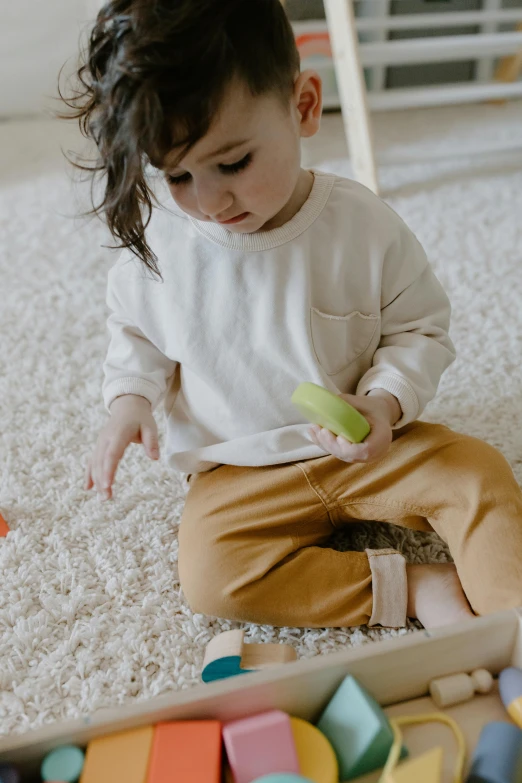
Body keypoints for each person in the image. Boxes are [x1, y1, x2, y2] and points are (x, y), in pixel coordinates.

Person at [62, 0, 522, 631]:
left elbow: (417, 329)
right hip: (239, 468)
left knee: (479, 476)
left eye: (233, 164)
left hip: (367, 446)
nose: (209, 199)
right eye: (177, 176)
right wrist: (130, 401)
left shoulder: (361, 226)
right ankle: (411, 588)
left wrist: (383, 404)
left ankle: (512, 622)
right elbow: (136, 330)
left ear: (304, 106)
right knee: (211, 575)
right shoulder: (165, 246)